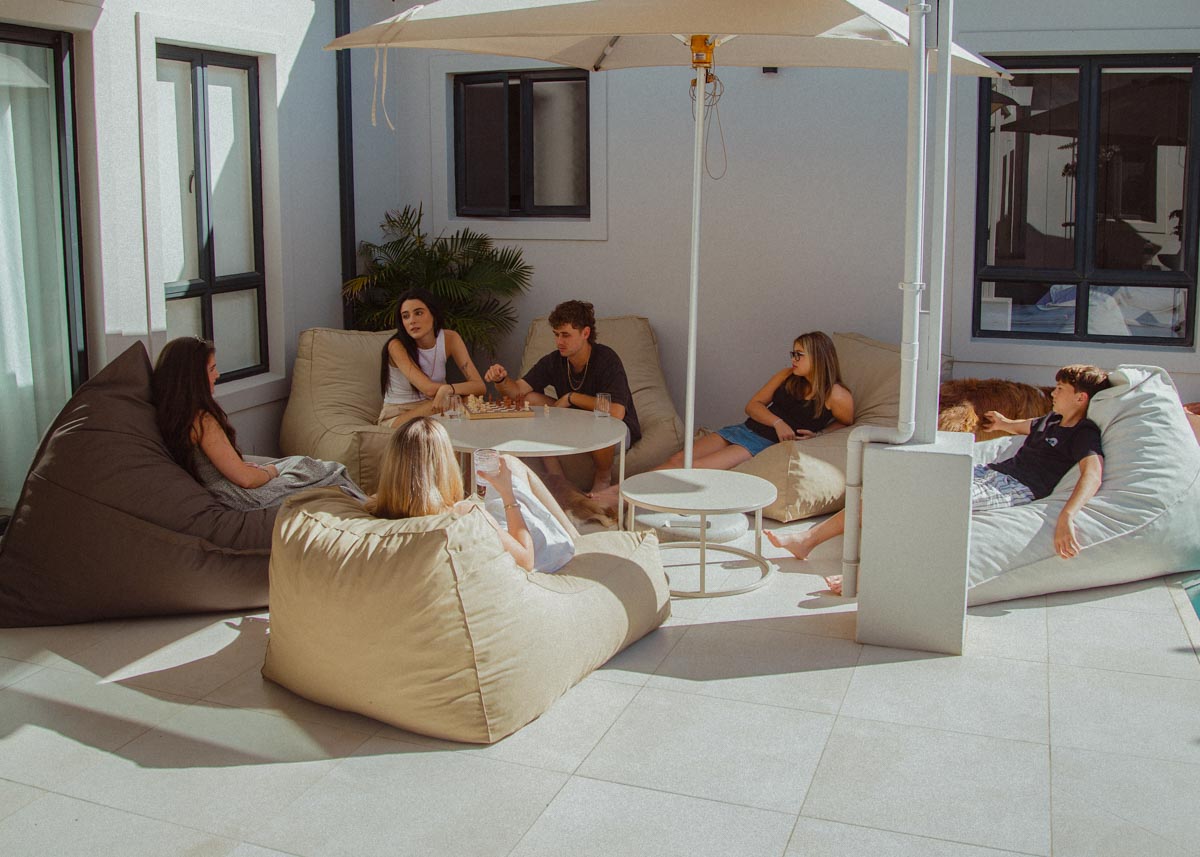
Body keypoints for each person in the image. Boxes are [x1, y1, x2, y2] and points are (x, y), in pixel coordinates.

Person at [769, 364, 1111, 594]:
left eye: (1062, 388)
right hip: (994, 472)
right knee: (892, 487)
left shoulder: (1083, 433)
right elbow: (1023, 426)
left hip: (1015, 489)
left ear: (1080, 398)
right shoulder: (1051, 419)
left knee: (925, 505)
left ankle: (869, 576)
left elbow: (1092, 474)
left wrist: (1067, 515)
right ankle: (807, 540)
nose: (1054, 392)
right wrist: (1002, 421)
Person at [153, 337, 365, 510]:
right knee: (330, 472)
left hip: (227, 487)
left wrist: (248, 468)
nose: (217, 375)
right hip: (240, 496)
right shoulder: (202, 421)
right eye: (211, 369)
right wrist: (270, 471)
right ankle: (373, 512)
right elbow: (246, 480)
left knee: (304, 464)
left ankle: (369, 505)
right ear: (192, 376)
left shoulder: (173, 415)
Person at [366, 417, 577, 573]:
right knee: (511, 467)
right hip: (529, 548)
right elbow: (525, 560)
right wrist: (507, 495)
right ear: (445, 464)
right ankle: (573, 534)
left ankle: (571, 529)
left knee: (509, 464)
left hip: (488, 532)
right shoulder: (466, 514)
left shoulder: (379, 506)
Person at [484, 300, 640, 495]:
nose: (559, 342)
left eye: (566, 335)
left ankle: (603, 477)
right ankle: (558, 481)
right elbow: (518, 391)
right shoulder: (555, 360)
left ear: (585, 333)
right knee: (530, 399)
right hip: (575, 422)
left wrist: (571, 397)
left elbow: (616, 412)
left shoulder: (606, 358)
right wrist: (501, 380)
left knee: (602, 422)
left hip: (616, 431)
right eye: (556, 335)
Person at [654, 330, 853, 474]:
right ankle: (623, 493)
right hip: (743, 429)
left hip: (762, 444)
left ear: (818, 357)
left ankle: (632, 499)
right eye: (793, 353)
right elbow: (752, 406)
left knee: (693, 468)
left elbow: (846, 423)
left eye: (799, 355)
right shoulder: (787, 376)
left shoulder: (836, 395)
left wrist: (819, 434)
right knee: (678, 459)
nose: (793, 359)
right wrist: (778, 422)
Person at [378, 288, 486, 428]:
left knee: (472, 400)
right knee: (459, 401)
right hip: (399, 416)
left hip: (438, 404)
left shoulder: (450, 338)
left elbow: (479, 386)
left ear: (433, 314)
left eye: (418, 313)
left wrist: (449, 389)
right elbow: (428, 389)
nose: (412, 321)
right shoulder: (396, 346)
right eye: (406, 316)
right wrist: (449, 391)